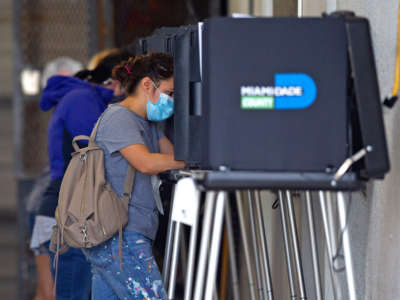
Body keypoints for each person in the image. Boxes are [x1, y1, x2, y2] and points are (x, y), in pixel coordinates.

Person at [83, 52, 185, 299]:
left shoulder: (146, 122)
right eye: (170, 93)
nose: (171, 101)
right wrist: (193, 161)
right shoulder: (120, 119)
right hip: (120, 237)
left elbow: (170, 157)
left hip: (125, 235)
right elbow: (147, 163)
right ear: (148, 85)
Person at [36, 49, 133, 300]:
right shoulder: (82, 100)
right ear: (115, 82)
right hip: (69, 212)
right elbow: (98, 151)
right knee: (65, 292)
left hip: (68, 209)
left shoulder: (82, 98)